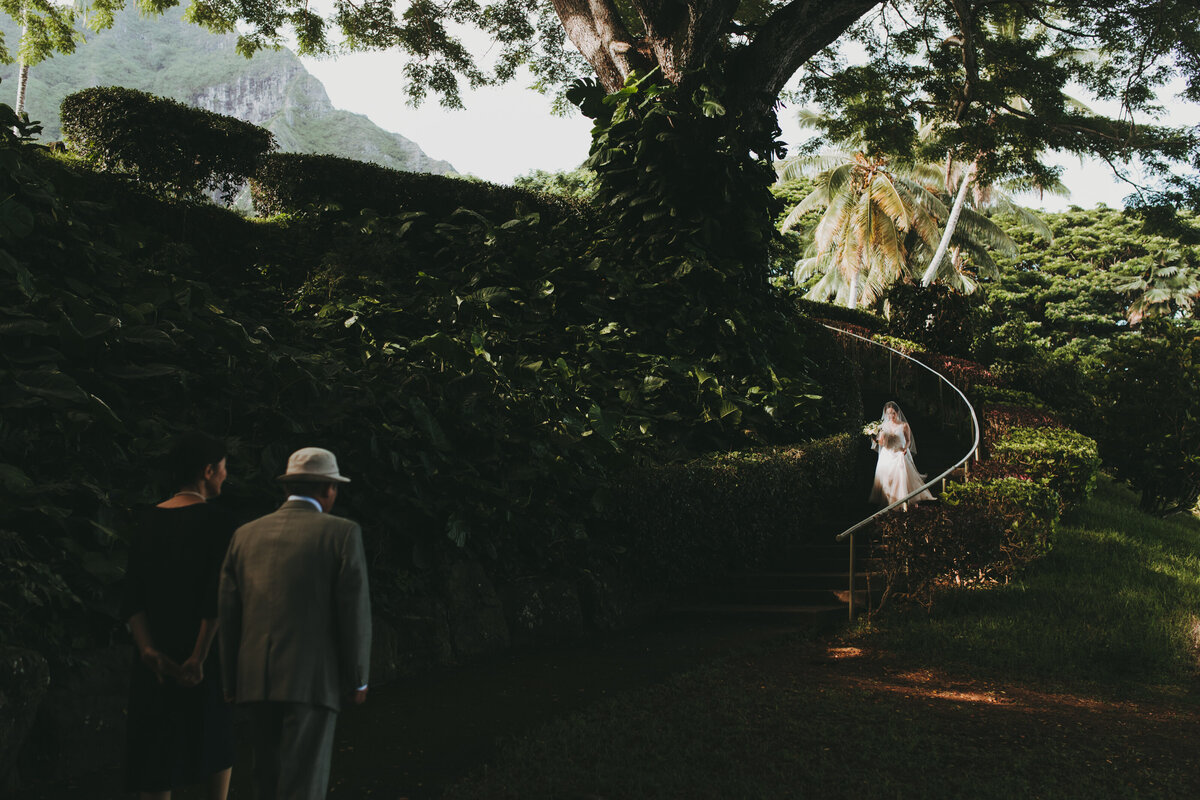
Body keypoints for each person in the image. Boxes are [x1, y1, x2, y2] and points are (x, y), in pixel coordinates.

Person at [219, 446, 372, 800]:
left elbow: (229, 613)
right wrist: (357, 677)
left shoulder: (245, 535)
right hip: (312, 681)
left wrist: (230, 680)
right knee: (304, 784)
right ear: (325, 489)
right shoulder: (342, 534)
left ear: (289, 487)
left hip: (255, 680)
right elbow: (354, 613)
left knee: (265, 782)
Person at [122, 433, 236, 800]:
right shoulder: (220, 523)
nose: (225, 476)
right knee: (215, 741)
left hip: (155, 654)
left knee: (156, 753)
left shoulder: (147, 520)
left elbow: (132, 596)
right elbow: (215, 597)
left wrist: (147, 651)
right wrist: (197, 658)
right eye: (223, 469)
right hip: (202, 652)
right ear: (207, 470)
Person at [869, 401, 934, 508]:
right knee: (886, 478)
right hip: (887, 453)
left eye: (893, 413)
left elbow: (908, 440)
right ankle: (889, 500)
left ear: (897, 413)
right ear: (886, 414)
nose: (891, 416)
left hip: (899, 452)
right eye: (889, 413)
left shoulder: (904, 425)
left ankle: (902, 501)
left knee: (901, 477)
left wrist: (905, 448)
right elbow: (881, 442)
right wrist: (874, 438)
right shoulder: (883, 426)